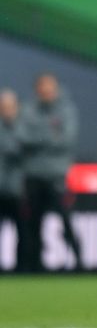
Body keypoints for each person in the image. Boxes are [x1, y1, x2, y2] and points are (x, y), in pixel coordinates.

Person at [20, 73, 83, 272]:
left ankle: (80, 263)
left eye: (49, 87)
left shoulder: (66, 110)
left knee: (66, 220)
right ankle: (33, 265)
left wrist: (38, 138)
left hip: (57, 176)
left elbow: (66, 139)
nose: (46, 91)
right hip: (33, 176)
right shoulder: (29, 110)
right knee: (32, 224)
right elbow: (22, 138)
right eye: (42, 87)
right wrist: (49, 135)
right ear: (37, 89)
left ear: (55, 88)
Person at [0, 89, 26, 271]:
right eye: (3, 107)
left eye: (10, 106)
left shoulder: (26, 128)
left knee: (23, 232)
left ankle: (23, 267)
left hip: (19, 189)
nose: (7, 110)